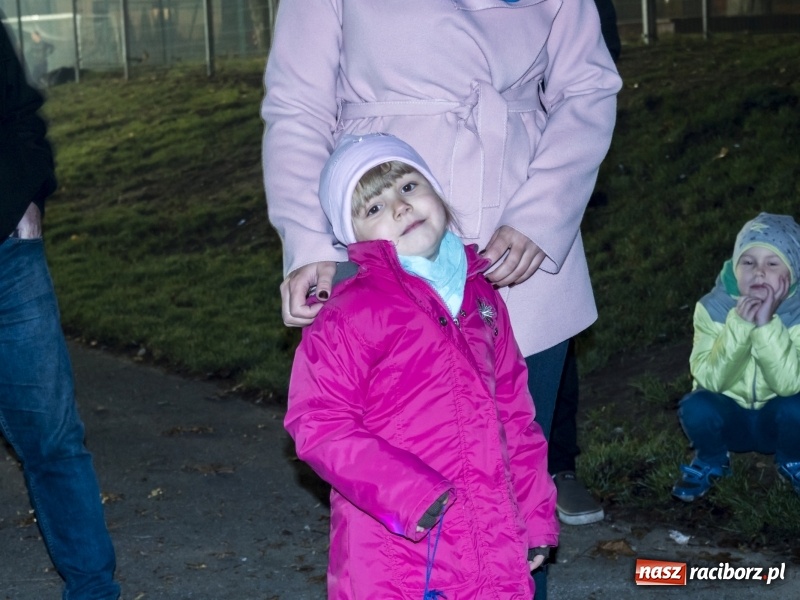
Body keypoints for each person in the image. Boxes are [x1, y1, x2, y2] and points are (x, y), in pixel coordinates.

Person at [261, 2, 622, 597]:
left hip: (520, 247)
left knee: (516, 488)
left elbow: (586, 84)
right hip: (377, 241)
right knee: (403, 495)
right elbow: (299, 103)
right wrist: (307, 242)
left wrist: (542, 214)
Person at [285, 133, 557, 599]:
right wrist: (408, 494)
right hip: (398, 553)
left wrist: (534, 515)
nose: (399, 207)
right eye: (373, 208)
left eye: (409, 186)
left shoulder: (483, 298)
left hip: (493, 542)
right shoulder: (349, 313)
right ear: (354, 238)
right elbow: (318, 422)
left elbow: (514, 414)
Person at [0, 21, 121, 600]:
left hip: (7, 260)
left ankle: (95, 592)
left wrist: (29, 197)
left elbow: (21, 111)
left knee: (53, 440)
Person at [672, 212, 800, 502]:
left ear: (791, 272)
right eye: (748, 262)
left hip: (777, 420)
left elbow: (790, 383)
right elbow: (711, 379)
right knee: (696, 406)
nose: (758, 272)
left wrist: (767, 325)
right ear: (734, 266)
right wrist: (740, 325)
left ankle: (793, 460)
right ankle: (713, 459)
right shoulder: (712, 308)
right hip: (731, 417)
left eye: (772, 263)